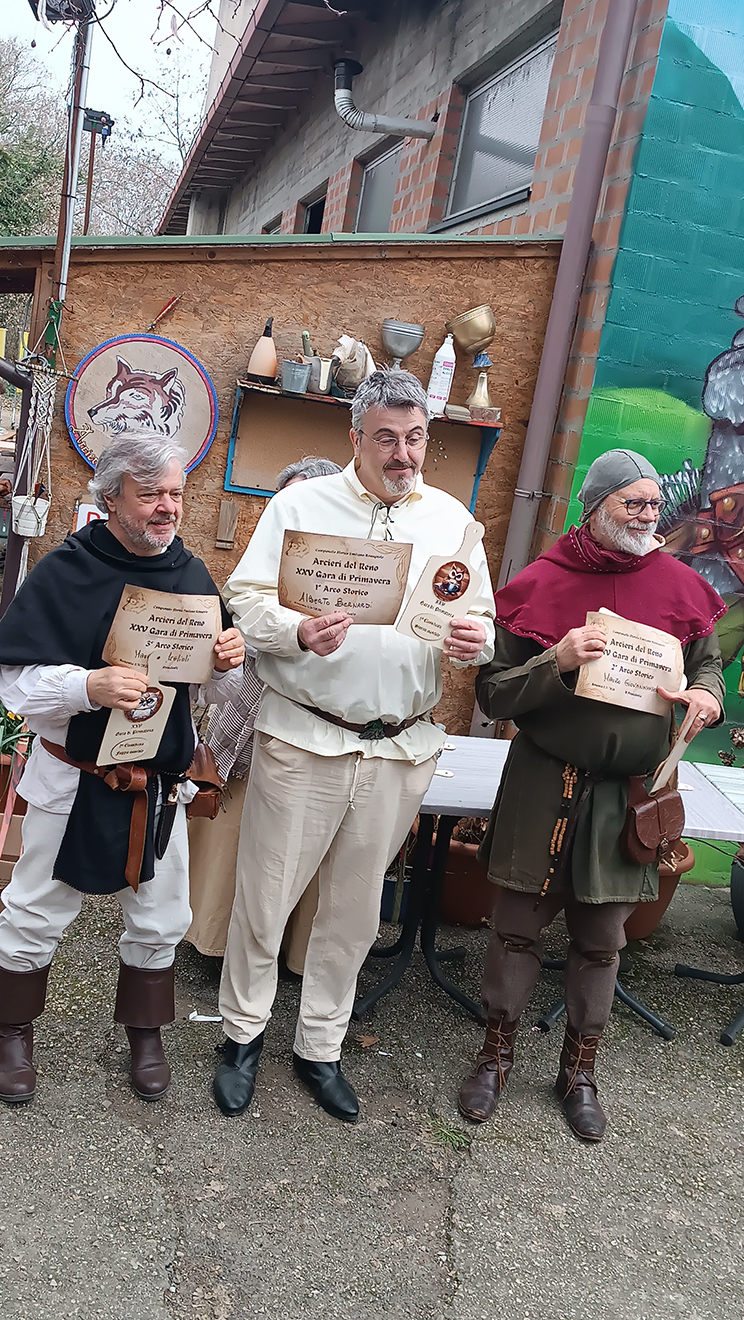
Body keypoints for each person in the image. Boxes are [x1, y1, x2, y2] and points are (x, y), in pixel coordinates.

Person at [213, 368, 495, 1123]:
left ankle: (320, 1046)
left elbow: (481, 617)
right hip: (304, 736)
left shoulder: (453, 520)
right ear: (355, 438)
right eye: (387, 438)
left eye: (416, 439)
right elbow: (245, 598)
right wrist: (295, 630)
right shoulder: (301, 505)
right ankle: (241, 1036)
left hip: (398, 748)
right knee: (267, 896)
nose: (403, 454)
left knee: (355, 911)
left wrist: (475, 639)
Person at [457, 449, 726, 1142]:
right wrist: (559, 659)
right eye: (632, 503)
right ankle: (495, 1057)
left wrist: (707, 696)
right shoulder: (541, 582)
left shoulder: (680, 584)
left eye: (653, 504)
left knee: (603, 940)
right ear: (595, 506)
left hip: (626, 795)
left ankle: (579, 1073)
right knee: (514, 928)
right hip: (543, 782)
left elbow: (709, 665)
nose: (647, 516)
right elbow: (493, 693)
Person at [0, 436, 244, 1106]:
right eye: (151, 494)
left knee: (162, 915)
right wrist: (88, 687)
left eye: (176, 493)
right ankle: (11, 1030)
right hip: (72, 776)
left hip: (157, 786)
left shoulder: (191, 575)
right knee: (36, 908)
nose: (168, 507)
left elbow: (209, 692)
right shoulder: (65, 571)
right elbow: (13, 683)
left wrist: (227, 661)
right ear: (111, 498)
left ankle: (145, 1033)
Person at [186, 456, 342, 964]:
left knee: (301, 840)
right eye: (285, 501)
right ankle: (212, 937)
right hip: (246, 712)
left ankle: (293, 951)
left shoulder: (349, 570)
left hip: (317, 726)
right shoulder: (262, 560)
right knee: (229, 832)